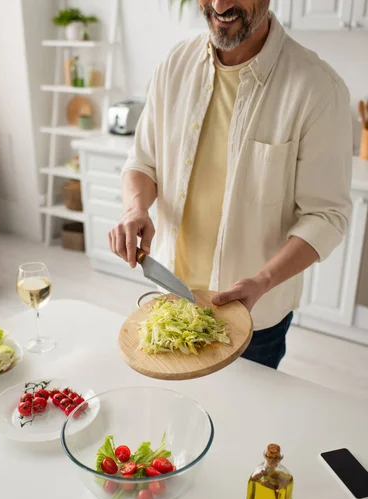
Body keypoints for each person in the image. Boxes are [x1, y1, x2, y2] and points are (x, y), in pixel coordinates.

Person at [109, 0, 352, 369]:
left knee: (244, 424)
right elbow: (143, 160)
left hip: (252, 317)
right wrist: (135, 208)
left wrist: (261, 280)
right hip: (172, 301)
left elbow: (327, 216)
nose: (221, 5)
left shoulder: (317, 88)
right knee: (177, 422)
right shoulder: (174, 66)